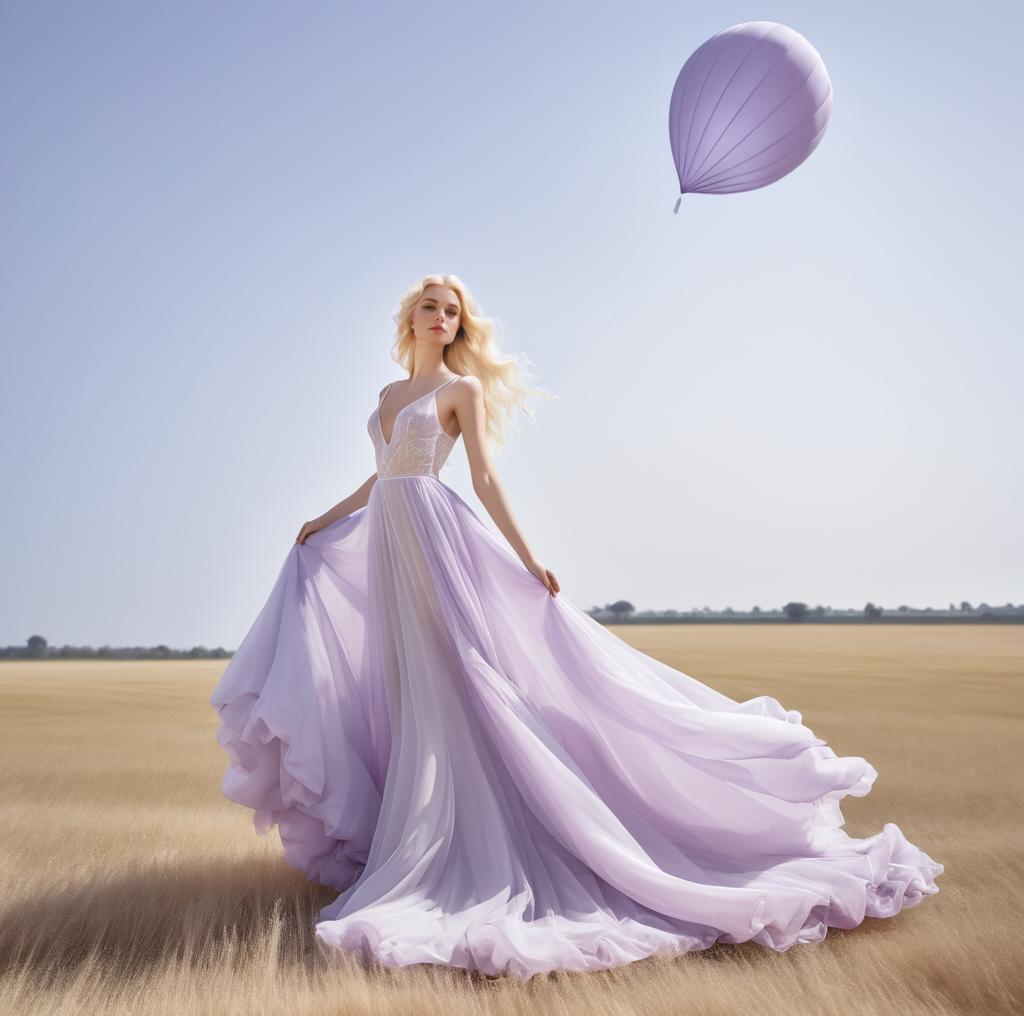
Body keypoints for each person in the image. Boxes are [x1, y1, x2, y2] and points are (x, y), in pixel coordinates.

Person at [210, 273, 943, 980]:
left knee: (462, 679)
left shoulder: (459, 390)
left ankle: (479, 840)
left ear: (461, 326)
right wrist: (329, 518)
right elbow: (383, 475)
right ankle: (419, 831)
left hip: (435, 538)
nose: (442, 319)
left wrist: (530, 558)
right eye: (431, 308)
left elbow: (485, 478)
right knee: (404, 688)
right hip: (387, 540)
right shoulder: (387, 395)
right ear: (411, 320)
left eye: (453, 312)